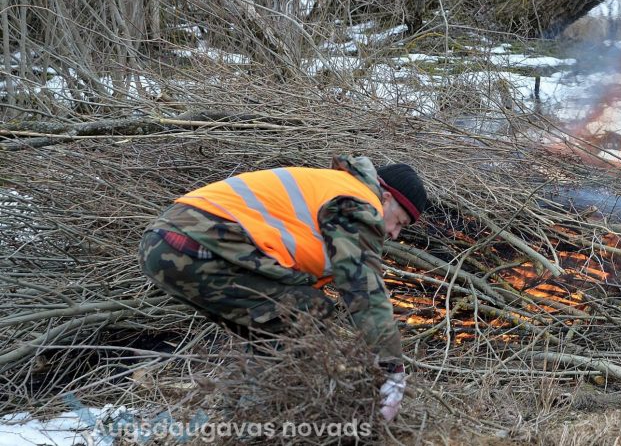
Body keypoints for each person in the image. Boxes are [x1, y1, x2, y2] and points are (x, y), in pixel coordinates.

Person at [139, 155, 427, 420]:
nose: (394, 233)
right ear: (385, 198)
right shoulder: (359, 201)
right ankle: (259, 424)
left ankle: (235, 421)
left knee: (271, 328)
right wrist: (392, 368)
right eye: (399, 222)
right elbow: (364, 289)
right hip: (195, 243)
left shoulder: (333, 188)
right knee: (305, 314)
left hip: (168, 242)